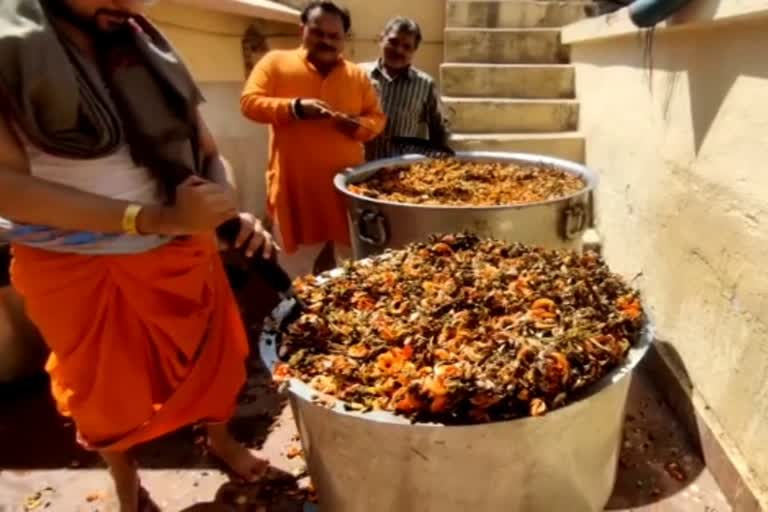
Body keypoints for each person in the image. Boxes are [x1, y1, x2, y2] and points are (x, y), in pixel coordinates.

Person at [0, 0, 275, 510]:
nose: (129, 4)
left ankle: (221, 441)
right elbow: (7, 185)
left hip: (182, 251)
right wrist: (151, 219)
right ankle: (125, 477)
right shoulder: (9, 48)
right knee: (105, 396)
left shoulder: (144, 45)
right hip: (77, 266)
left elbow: (208, 152)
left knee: (214, 363)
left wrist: (223, 211)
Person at [240, 0, 386, 278]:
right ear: (302, 30)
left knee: (353, 272)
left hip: (345, 194)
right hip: (296, 194)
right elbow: (249, 103)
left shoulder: (356, 76)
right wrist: (294, 108)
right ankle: (297, 320)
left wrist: (354, 126)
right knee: (294, 274)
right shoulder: (275, 63)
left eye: (334, 36)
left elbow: (377, 119)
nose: (326, 41)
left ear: (344, 39)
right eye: (318, 33)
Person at [361, 17, 450, 161]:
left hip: (403, 172)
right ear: (381, 39)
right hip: (361, 169)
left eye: (407, 47)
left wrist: (437, 165)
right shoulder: (359, 75)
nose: (398, 50)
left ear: (414, 50)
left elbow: (439, 129)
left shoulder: (425, 84)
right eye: (393, 42)